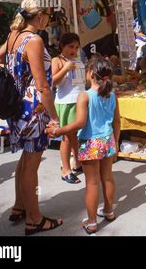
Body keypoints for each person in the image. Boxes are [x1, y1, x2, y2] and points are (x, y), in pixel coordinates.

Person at [0, 0, 63, 234]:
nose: (49, 20)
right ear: (40, 15)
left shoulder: (13, 35)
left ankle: (19, 206)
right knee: (32, 165)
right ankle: (34, 219)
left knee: (25, 160)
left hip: (17, 108)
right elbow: (43, 86)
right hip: (34, 110)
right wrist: (54, 117)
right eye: (49, 16)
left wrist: (16, 80)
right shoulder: (34, 40)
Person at [46, 55, 120, 235]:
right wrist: (115, 142)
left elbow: (79, 123)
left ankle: (92, 222)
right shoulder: (112, 96)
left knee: (92, 183)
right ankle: (109, 212)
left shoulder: (84, 96)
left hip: (90, 143)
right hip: (108, 140)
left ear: (89, 74)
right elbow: (117, 122)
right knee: (108, 178)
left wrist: (59, 131)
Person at [52, 33, 86, 184]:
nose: (74, 50)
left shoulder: (78, 61)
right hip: (66, 103)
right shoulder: (57, 60)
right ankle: (65, 169)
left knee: (75, 137)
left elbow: (81, 83)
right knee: (66, 137)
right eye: (70, 47)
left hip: (79, 101)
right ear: (62, 46)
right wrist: (65, 68)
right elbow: (53, 81)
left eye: (76, 47)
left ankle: (77, 163)